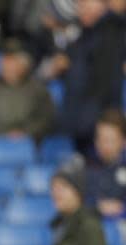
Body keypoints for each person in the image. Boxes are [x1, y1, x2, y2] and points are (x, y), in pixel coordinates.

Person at [48, 0, 126, 151]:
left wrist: (88, 122)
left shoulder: (112, 31)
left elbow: (103, 84)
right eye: (80, 5)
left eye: (86, 4)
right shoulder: (82, 33)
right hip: (77, 119)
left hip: (93, 122)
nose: (81, 9)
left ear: (102, 6)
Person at [0, 39, 56, 144]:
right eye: (4, 60)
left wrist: (25, 133)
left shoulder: (38, 90)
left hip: (29, 145)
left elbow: (47, 120)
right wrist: (0, 134)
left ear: (24, 65)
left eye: (11, 61)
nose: (5, 65)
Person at [85, 109, 126, 219]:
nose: (104, 145)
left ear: (123, 141)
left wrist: (121, 209)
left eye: (110, 140)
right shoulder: (86, 166)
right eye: (100, 139)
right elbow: (77, 206)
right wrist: (97, 208)